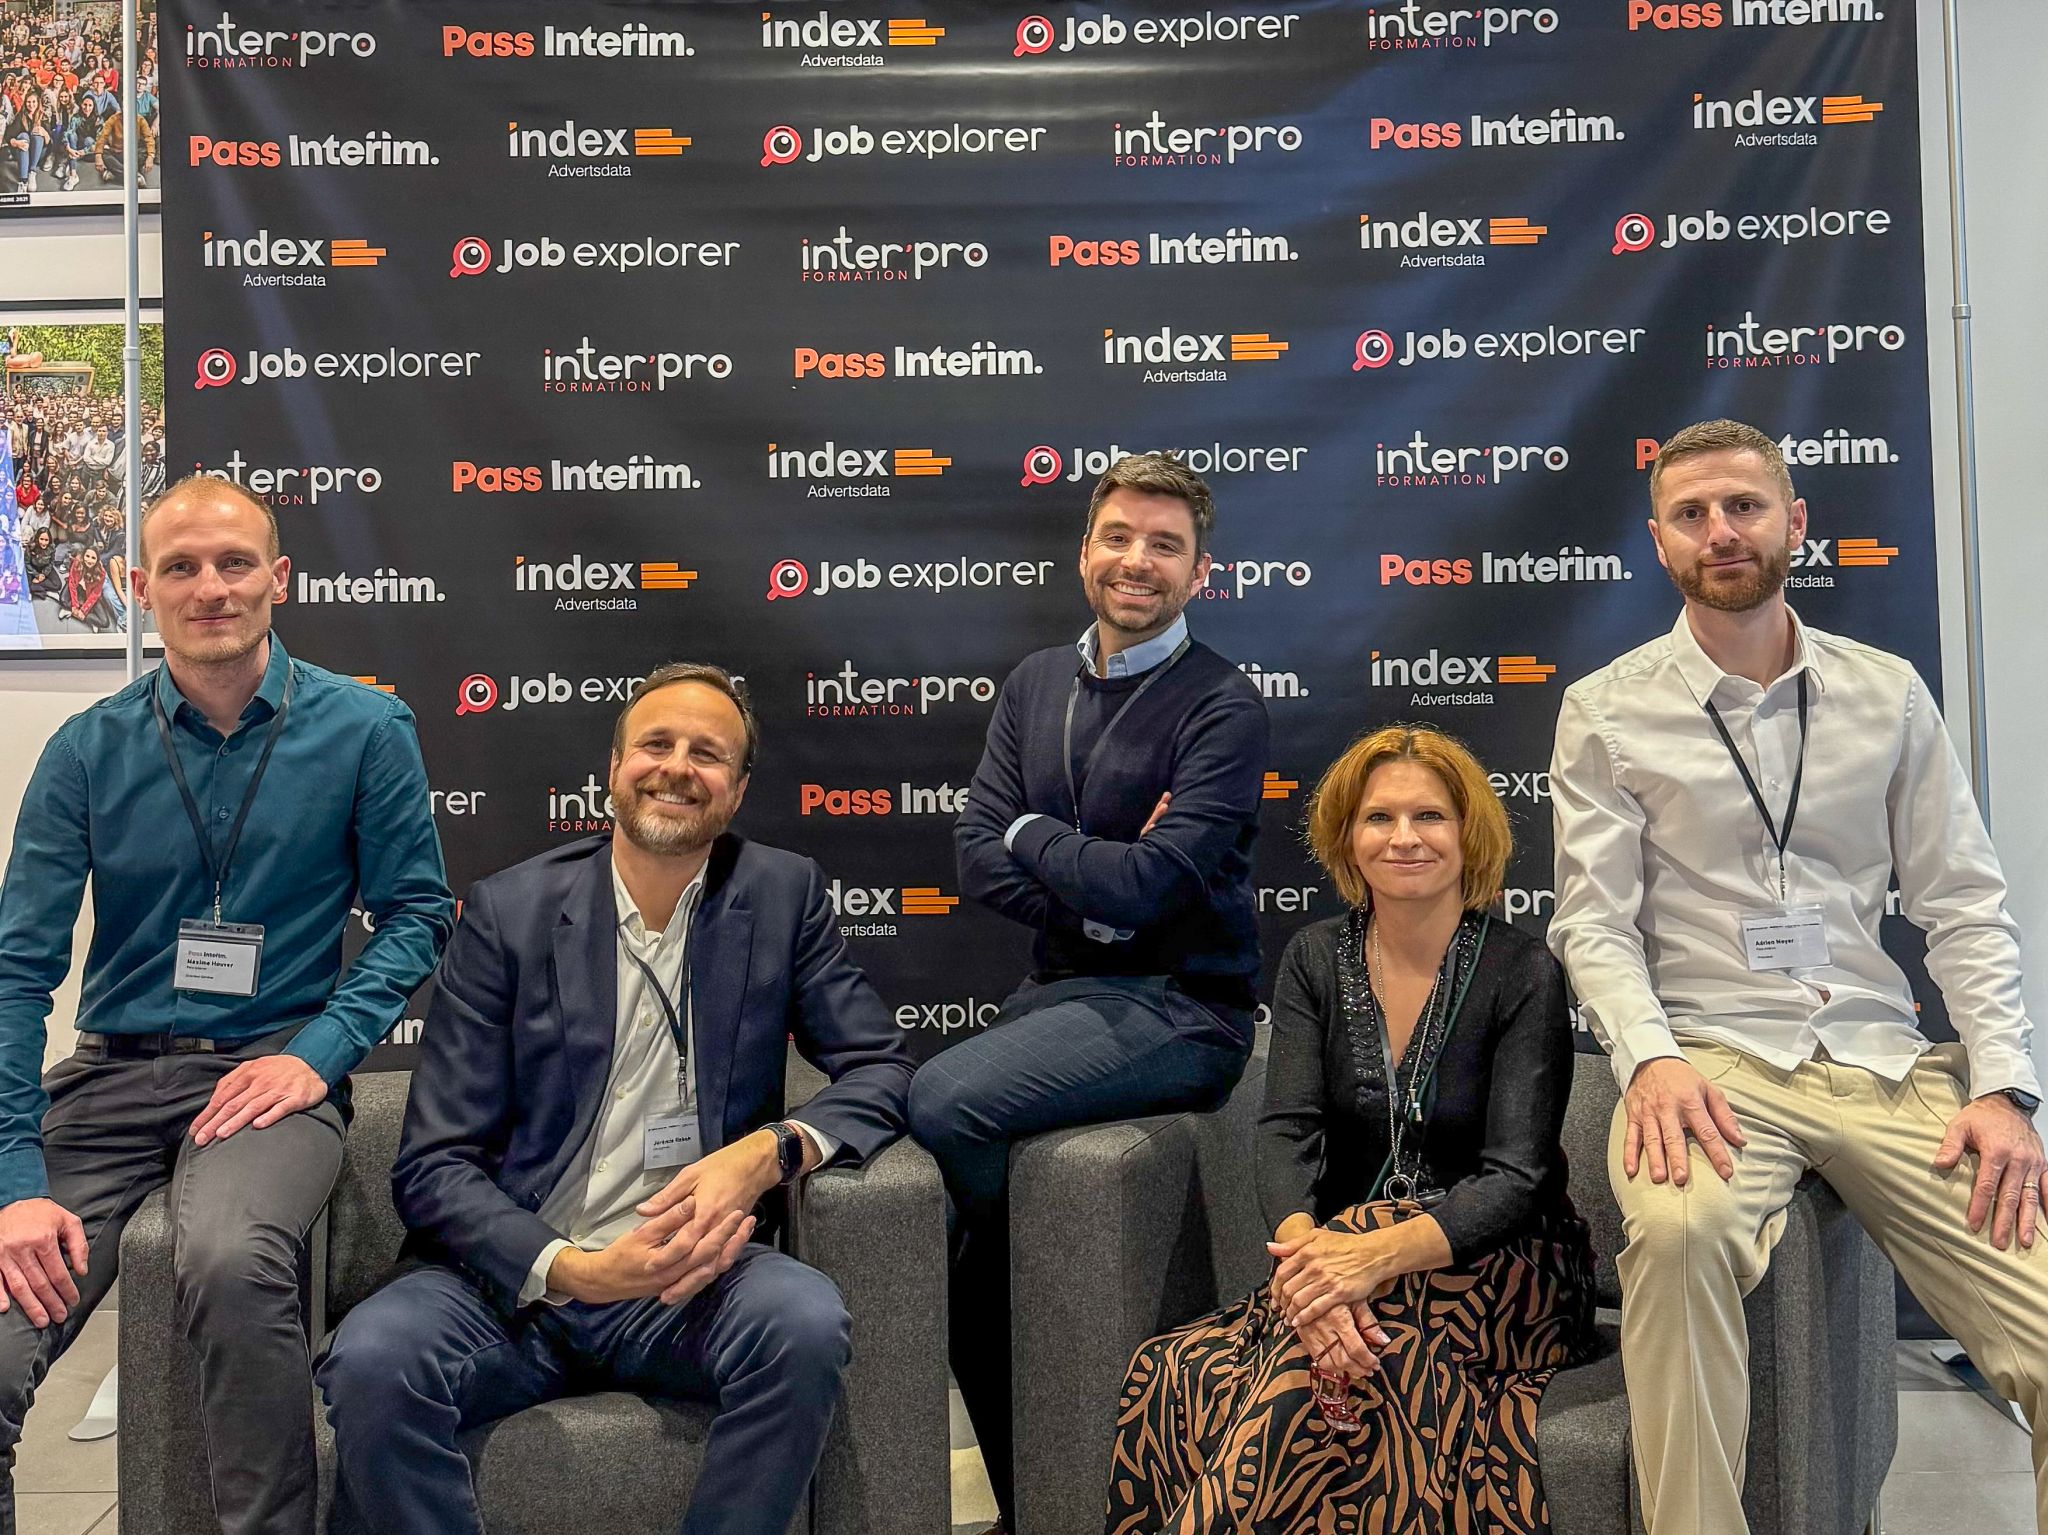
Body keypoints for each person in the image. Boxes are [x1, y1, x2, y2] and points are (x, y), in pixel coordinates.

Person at [1549, 417, 2048, 1535]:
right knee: (1675, 1241)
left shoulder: (1887, 691)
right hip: (1711, 1061)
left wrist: (2002, 1086)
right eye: (1690, 514)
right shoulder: (1606, 706)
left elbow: (1961, 902)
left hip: (1882, 1061)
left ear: (1793, 523)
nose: (1718, 530)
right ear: (1658, 542)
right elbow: (1593, 923)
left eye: (1742, 506)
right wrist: (1652, 1062)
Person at [317, 662, 916, 1535]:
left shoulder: (781, 896)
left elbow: (882, 1068)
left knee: (805, 1321)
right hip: (513, 1286)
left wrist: (766, 1151)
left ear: (739, 789)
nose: (677, 766)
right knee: (371, 1359)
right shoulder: (509, 910)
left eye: (707, 753)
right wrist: (573, 1269)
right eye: (657, 744)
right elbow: (434, 1165)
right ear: (614, 766)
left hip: (690, 1280)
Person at [0, 474, 454, 1533]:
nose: (211, 586)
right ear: (138, 586)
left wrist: (321, 1052)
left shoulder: (364, 728)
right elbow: (19, 970)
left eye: (234, 561)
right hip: (108, 1077)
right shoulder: (85, 750)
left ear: (278, 578)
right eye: (181, 566)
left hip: (267, 1075)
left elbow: (418, 913)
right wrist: (16, 1178)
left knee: (229, 1259)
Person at [1106, 725, 1594, 1534]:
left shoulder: (1523, 969)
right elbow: (1286, 1130)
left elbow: (1517, 1176)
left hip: (1504, 1267)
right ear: (1348, 837)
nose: (1404, 837)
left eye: (1429, 816)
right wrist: (1313, 1269)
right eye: (1380, 818)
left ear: (1468, 833)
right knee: (1178, 1365)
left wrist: (1367, 1257)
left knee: (1339, 1365)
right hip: (1337, 1257)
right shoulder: (1314, 957)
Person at [914, 451, 1270, 1526]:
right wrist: (1092, 886)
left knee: (939, 1103)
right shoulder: (1033, 683)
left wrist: (1040, 838)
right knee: (943, 1212)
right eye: (1118, 536)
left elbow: (1162, 885)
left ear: (1199, 572)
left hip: (1184, 1004)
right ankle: (1037, 1499)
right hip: (1065, 991)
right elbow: (978, 856)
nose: (1136, 560)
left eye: (1165, 545)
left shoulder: (1222, 703)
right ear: (1084, 551)